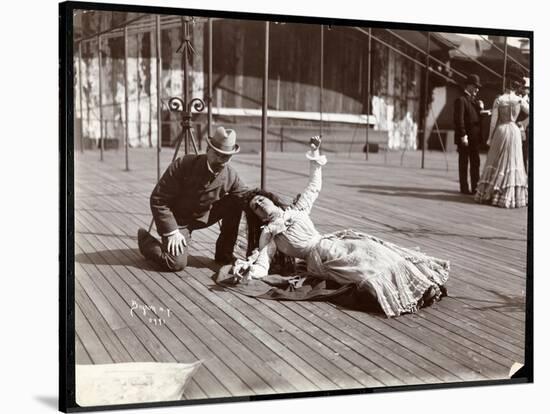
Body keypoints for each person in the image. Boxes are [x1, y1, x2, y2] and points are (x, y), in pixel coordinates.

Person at [232, 136, 450, 318]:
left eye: (261, 200)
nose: (260, 204)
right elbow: (263, 262)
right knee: (363, 270)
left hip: (333, 242)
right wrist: (250, 271)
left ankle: (423, 284)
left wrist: (315, 155)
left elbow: (313, 187)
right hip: (319, 259)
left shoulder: (297, 210)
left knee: (375, 251)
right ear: (258, 217)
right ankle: (406, 294)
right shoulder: (269, 235)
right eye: (255, 207)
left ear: (271, 199)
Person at [137, 126, 248, 271]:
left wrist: (273, 210)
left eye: (226, 156)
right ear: (208, 149)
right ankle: (145, 241)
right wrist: (172, 232)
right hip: (178, 220)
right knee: (175, 263)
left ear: (231, 157)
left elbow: (246, 197)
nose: (220, 160)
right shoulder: (184, 164)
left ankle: (224, 254)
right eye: (217, 154)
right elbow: (158, 199)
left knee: (237, 202)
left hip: (204, 216)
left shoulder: (231, 175)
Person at [474, 76, 529, 208]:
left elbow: (493, 122)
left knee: (496, 160)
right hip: (514, 131)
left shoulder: (499, 100)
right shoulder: (519, 100)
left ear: (506, 86)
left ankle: (492, 192)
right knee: (512, 160)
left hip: (501, 131)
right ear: (516, 88)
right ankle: (509, 196)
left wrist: (489, 137)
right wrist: (523, 123)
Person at [453, 74, 485, 194]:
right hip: (465, 137)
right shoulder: (461, 100)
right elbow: (459, 120)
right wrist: (462, 135)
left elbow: (478, 120)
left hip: (475, 138)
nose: (477, 89)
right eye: (475, 86)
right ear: (469, 86)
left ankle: (475, 186)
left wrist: (481, 109)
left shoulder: (475, 101)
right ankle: (464, 187)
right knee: (464, 162)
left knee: (475, 162)